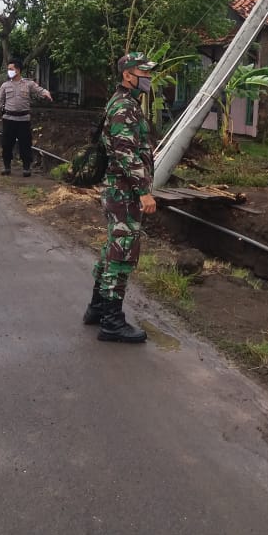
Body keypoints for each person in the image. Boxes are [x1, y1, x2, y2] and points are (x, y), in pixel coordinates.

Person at [84, 51, 157, 344]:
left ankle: (97, 308)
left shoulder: (123, 103)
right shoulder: (124, 107)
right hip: (125, 192)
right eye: (143, 74)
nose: (148, 79)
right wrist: (144, 192)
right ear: (128, 75)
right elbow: (126, 154)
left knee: (112, 247)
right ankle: (112, 321)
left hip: (118, 189)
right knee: (121, 253)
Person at [0, 58, 52, 176]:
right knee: (6, 144)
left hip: (23, 120)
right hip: (9, 119)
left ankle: (26, 168)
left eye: (11, 69)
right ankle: (7, 166)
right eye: (8, 69)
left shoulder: (28, 84)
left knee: (25, 144)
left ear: (18, 70)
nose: (9, 71)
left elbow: (39, 90)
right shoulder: (5, 85)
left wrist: (46, 93)